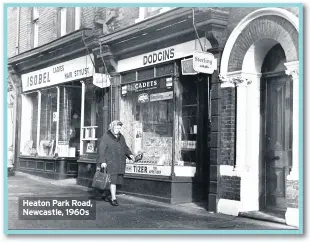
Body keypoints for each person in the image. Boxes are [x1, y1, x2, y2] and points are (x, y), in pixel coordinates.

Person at [95, 120, 135, 206]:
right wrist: (103, 161)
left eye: (119, 128)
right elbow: (101, 151)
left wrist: (130, 155)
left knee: (114, 181)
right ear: (112, 127)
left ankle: (105, 194)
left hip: (119, 162)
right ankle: (113, 199)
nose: (118, 130)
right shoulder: (106, 136)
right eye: (116, 128)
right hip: (110, 163)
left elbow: (125, 147)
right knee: (113, 181)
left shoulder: (121, 137)